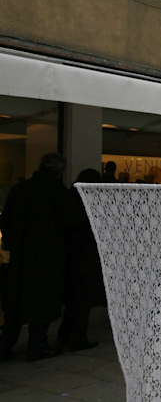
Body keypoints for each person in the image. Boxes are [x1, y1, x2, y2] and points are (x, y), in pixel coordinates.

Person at [0, 153, 77, 361]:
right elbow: (72, 223)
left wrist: (14, 244)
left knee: (16, 304)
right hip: (47, 258)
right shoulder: (57, 192)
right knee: (41, 304)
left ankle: (5, 345)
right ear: (59, 171)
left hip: (21, 256)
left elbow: (6, 221)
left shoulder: (20, 189)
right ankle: (37, 345)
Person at [58, 168, 105, 352]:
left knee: (74, 301)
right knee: (82, 302)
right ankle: (78, 337)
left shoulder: (69, 199)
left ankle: (65, 335)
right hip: (86, 259)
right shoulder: (91, 202)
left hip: (72, 258)